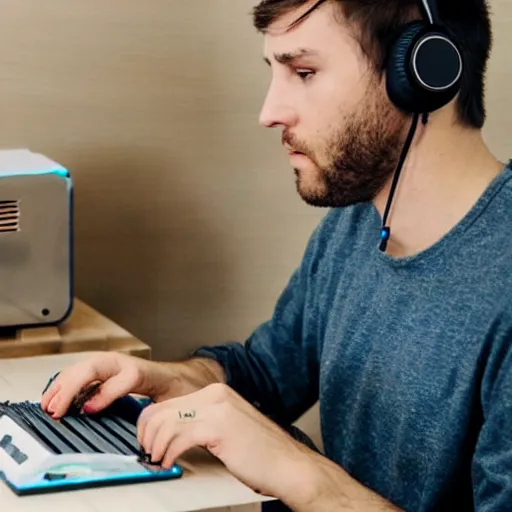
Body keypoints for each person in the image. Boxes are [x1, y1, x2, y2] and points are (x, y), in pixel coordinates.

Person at [41, 0, 512, 510]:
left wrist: (300, 472)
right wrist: (177, 380)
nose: (269, 113)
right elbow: (266, 374)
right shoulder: (357, 223)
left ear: (423, 71)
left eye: (304, 72)